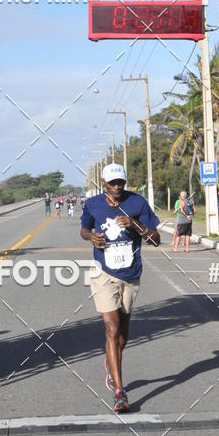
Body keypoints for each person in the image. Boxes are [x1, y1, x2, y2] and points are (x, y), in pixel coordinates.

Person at [80, 163, 160, 413]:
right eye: (112, 183)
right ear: (103, 183)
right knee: (111, 328)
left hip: (131, 274)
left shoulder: (137, 203)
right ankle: (119, 392)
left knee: (123, 337)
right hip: (103, 273)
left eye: (121, 183)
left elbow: (156, 240)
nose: (117, 187)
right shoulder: (93, 204)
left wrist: (135, 224)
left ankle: (111, 361)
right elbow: (84, 228)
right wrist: (90, 236)